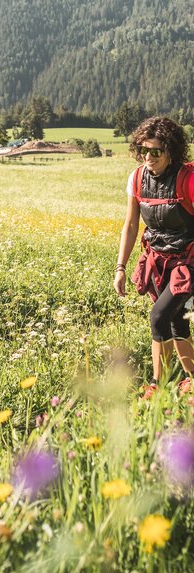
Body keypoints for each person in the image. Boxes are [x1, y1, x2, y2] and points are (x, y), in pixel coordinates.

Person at [114, 116, 194, 399]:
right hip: (157, 261)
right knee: (176, 320)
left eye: (155, 151)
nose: (148, 157)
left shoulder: (189, 180)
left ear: (170, 150)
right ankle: (190, 379)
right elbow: (131, 225)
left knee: (159, 316)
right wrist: (120, 267)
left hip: (188, 262)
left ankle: (159, 385)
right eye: (143, 150)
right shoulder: (136, 179)